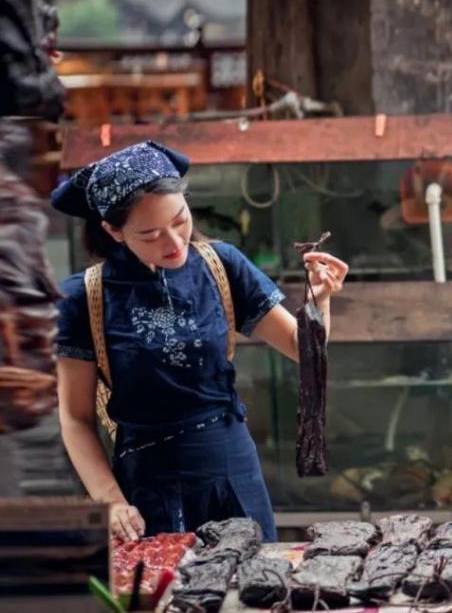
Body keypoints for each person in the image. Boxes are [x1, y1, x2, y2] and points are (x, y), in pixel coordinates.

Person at [51, 141, 349, 541]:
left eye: (180, 220)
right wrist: (111, 500)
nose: (173, 243)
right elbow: (75, 419)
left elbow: (301, 348)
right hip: (145, 480)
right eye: (150, 233)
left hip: (230, 462)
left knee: (253, 590)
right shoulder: (83, 298)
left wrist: (319, 298)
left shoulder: (220, 264)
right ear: (113, 231)